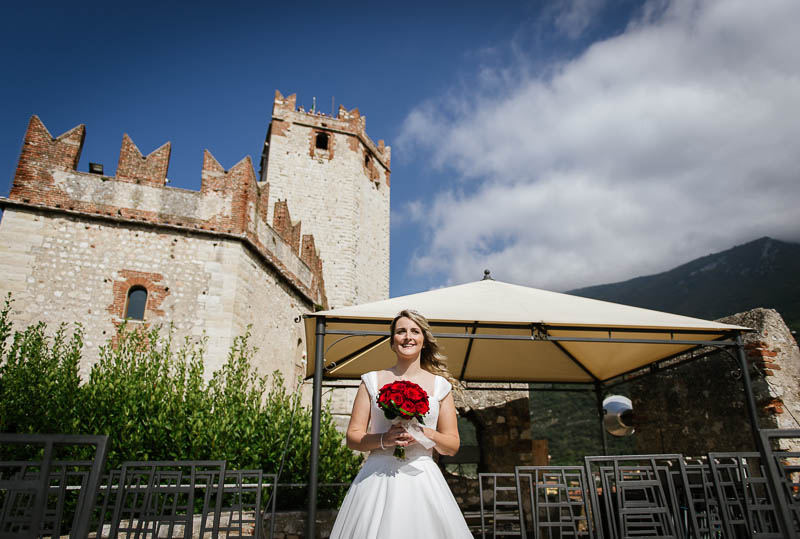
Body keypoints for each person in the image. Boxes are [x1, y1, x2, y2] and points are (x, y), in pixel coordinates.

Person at [329, 309, 473, 538]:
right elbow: (353, 438)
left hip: (422, 478)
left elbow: (452, 445)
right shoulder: (371, 381)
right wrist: (384, 440)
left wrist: (426, 434)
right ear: (392, 341)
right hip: (377, 478)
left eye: (415, 331)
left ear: (424, 341)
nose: (408, 336)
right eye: (401, 331)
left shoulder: (440, 386)